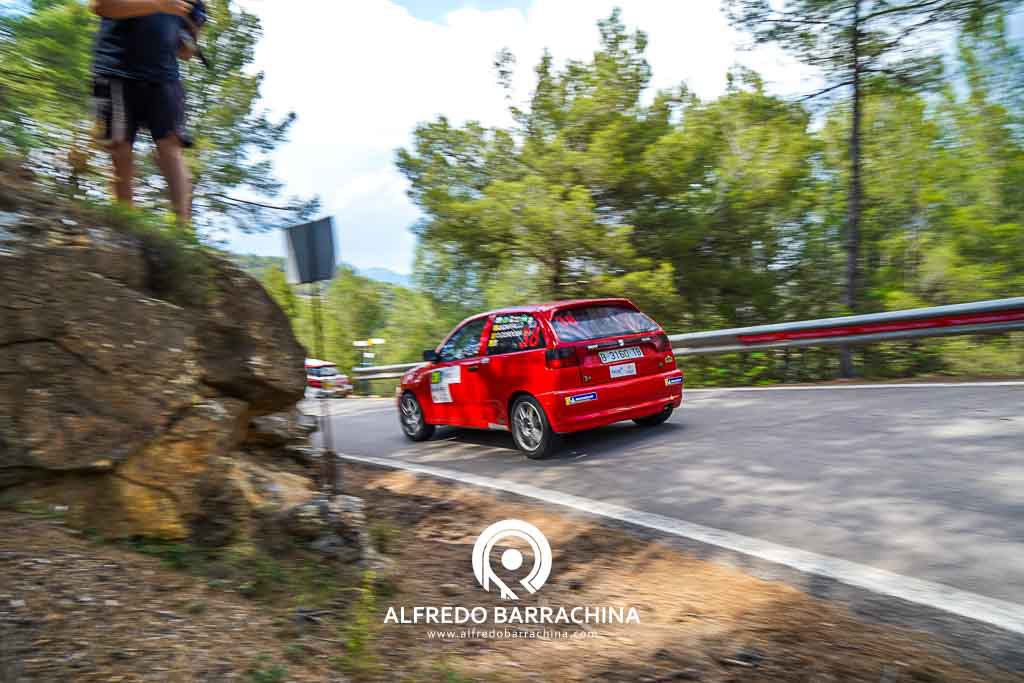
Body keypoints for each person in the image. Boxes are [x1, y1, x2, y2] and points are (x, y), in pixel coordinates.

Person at [90, 0, 206, 223]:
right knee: (119, 149)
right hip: (113, 71)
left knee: (171, 147)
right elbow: (100, 6)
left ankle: (181, 230)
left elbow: (185, 52)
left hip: (164, 77)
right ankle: (125, 224)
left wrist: (193, 27)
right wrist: (159, 5)